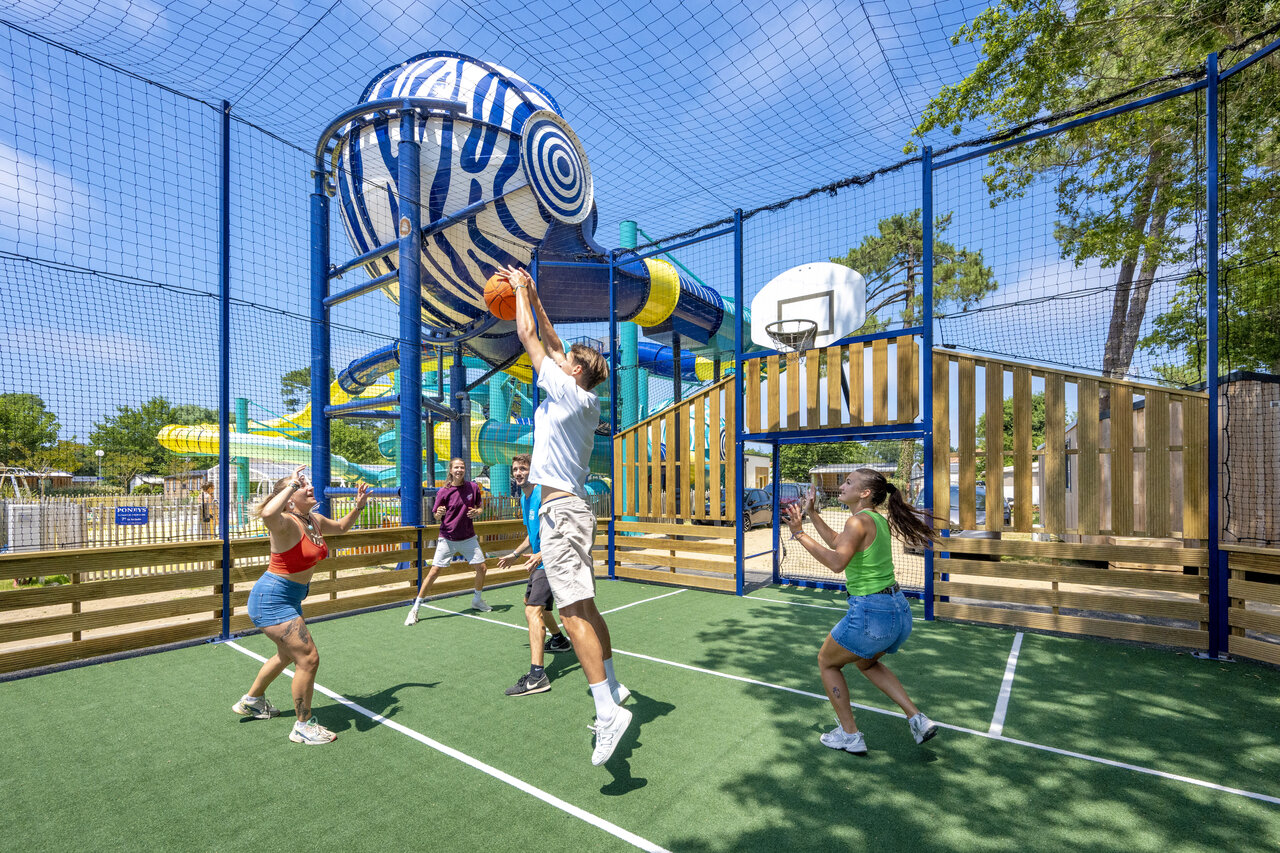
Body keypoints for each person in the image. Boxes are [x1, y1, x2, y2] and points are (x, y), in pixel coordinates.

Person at [503, 264, 630, 766]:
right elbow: (554, 341)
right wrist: (535, 293)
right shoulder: (584, 397)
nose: (561, 356)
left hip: (560, 514)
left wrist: (517, 293)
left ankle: (607, 711)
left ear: (575, 370)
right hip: (572, 510)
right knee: (589, 607)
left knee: (573, 612)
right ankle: (614, 688)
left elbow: (529, 336)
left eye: (568, 359)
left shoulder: (566, 391)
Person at [782, 468, 939, 755]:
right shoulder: (873, 519)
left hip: (872, 613)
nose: (842, 486)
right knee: (866, 663)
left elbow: (837, 562)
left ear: (865, 493)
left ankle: (850, 735)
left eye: (848, 482)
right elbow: (839, 544)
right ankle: (917, 718)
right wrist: (813, 513)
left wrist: (799, 533)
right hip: (899, 612)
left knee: (827, 662)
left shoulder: (857, 521)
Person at [233, 466, 370, 745]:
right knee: (308, 659)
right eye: (301, 487)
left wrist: (357, 507)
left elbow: (342, 528)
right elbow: (268, 513)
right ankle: (303, 727)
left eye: (307, 484)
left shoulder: (314, 520)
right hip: (271, 600)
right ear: (290, 498)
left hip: (290, 599)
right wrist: (292, 484)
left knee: (286, 656)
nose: (309, 488)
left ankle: (252, 701)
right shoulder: (284, 522)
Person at [497, 453, 572, 697]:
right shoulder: (524, 498)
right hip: (538, 561)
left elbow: (559, 529)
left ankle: (537, 676)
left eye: (523, 469)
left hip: (549, 562)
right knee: (534, 606)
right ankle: (559, 640)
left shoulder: (543, 493)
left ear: (534, 470)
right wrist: (515, 554)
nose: (518, 473)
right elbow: (534, 533)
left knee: (533, 611)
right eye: (515, 469)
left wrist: (542, 554)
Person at [404, 457, 490, 625]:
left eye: (462, 467)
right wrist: (439, 513)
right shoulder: (443, 491)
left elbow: (480, 507)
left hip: (468, 537)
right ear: (451, 470)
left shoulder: (473, 487)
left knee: (482, 568)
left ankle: (477, 600)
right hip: (447, 538)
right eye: (456, 467)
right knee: (434, 571)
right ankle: (415, 608)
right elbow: (436, 515)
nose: (459, 470)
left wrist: (477, 512)